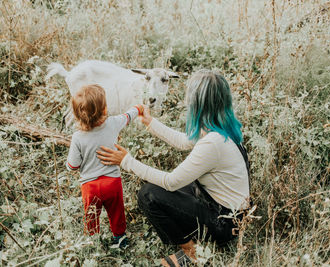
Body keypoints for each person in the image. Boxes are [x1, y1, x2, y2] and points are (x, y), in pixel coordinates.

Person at [96, 69, 250, 266]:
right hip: (226, 209)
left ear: (198, 103)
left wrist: (126, 161)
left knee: (149, 194)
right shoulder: (221, 127)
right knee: (177, 184)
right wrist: (151, 123)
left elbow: (171, 182)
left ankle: (192, 253)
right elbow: (185, 141)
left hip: (225, 222)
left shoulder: (213, 143)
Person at [66, 84, 143, 249]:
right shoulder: (113, 123)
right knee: (116, 211)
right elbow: (128, 116)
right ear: (104, 109)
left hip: (90, 186)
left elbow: (73, 166)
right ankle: (120, 237)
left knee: (91, 216)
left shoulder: (77, 137)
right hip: (112, 182)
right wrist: (138, 108)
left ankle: (93, 243)